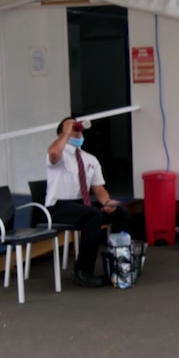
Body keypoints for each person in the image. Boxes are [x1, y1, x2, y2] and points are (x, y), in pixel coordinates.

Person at [46, 116, 140, 287]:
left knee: (121, 212)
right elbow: (53, 153)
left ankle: (120, 262)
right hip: (58, 206)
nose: (79, 132)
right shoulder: (58, 154)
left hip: (82, 204)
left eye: (79, 129)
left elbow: (99, 189)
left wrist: (107, 203)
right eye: (74, 129)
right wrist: (66, 132)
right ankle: (83, 271)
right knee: (93, 215)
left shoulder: (90, 159)